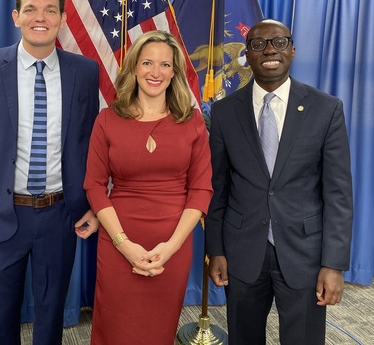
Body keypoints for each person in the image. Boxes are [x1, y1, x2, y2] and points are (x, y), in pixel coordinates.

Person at [0, 0, 100, 345]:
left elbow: (93, 145)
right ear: (16, 16)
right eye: (32, 10)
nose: (42, 17)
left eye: (50, 10)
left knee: (51, 317)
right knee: (1, 320)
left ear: (62, 19)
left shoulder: (84, 73)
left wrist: (95, 205)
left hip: (61, 214)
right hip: (0, 214)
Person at [205, 19, 353, 345]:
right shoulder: (225, 112)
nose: (270, 50)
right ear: (247, 54)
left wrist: (333, 264)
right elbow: (218, 188)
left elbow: (338, 193)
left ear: (293, 50)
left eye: (279, 42)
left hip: (305, 256)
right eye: (258, 44)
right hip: (242, 254)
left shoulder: (326, 109)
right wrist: (215, 250)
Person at [83, 30, 213, 345]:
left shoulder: (193, 121)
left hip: (174, 242)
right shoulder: (107, 120)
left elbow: (200, 190)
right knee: (115, 326)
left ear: (175, 72)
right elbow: (95, 186)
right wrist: (124, 245)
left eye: (165, 65)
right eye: (147, 63)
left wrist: (170, 247)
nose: (155, 72)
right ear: (134, 68)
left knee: (158, 329)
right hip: (118, 239)